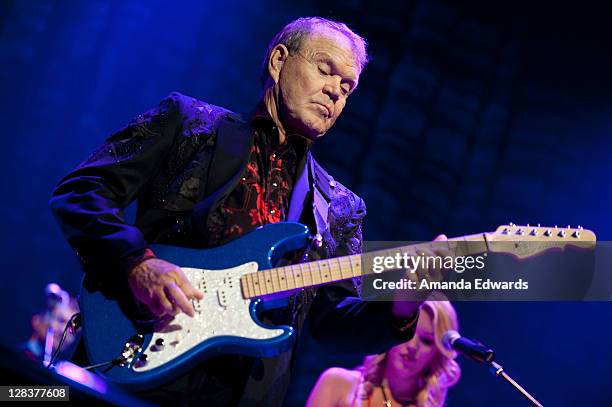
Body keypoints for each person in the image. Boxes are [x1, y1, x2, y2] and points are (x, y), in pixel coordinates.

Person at [50, 17, 442, 405]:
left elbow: (331, 324)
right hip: (137, 349)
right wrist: (135, 262)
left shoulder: (340, 207)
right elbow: (82, 192)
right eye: (325, 70)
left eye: (347, 87)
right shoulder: (190, 123)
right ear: (278, 61)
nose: (335, 92)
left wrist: (403, 304)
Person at [306, 297, 461, 407]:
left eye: (426, 340)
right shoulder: (337, 383)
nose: (413, 346)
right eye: (408, 333)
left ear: (438, 353)